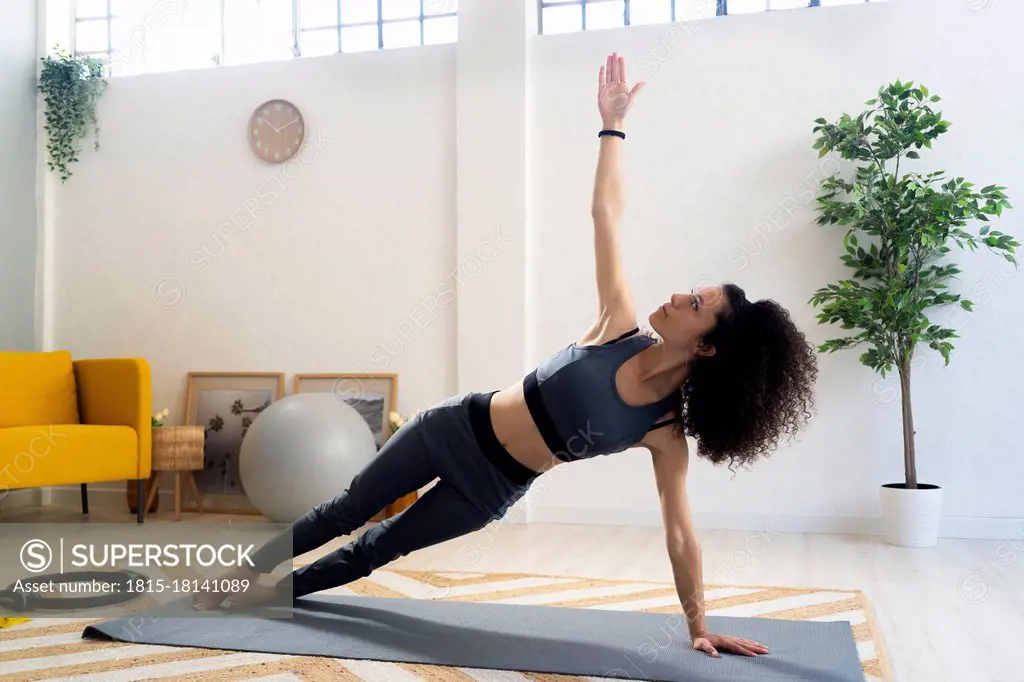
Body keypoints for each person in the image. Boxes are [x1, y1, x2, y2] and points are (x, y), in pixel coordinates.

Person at [194, 53, 818, 659]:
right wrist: (612, 125)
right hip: (453, 429)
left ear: (707, 345)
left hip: (489, 489)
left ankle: (266, 597)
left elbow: (680, 533)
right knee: (346, 510)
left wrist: (699, 625)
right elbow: (606, 217)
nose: (680, 294)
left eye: (696, 302)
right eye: (692, 288)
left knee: (375, 550)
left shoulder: (663, 430)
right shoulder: (619, 324)